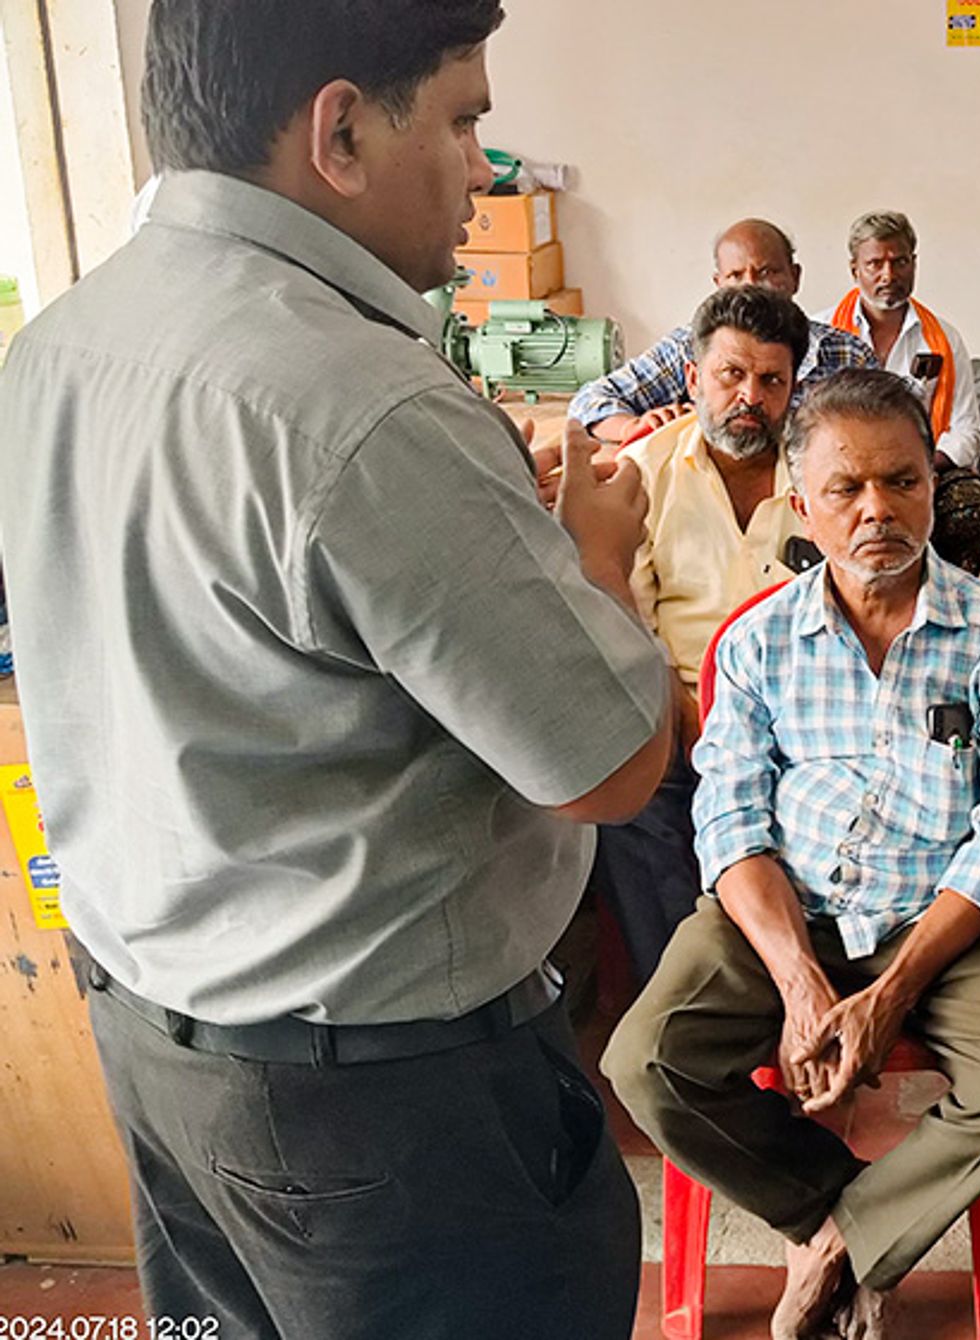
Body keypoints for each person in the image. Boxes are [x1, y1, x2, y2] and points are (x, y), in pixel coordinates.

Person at [0, 3, 674, 1336]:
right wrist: (592, 558)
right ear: (343, 129)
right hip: (382, 1112)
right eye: (467, 117)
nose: (487, 169)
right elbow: (609, 763)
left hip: (157, 1035)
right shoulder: (364, 404)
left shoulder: (61, 346)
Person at [602, 369, 980, 1340]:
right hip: (785, 901)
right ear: (799, 502)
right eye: (845, 489)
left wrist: (890, 989)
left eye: (901, 482)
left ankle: (843, 1237)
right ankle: (831, 1212)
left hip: (942, 914)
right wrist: (801, 979)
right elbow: (731, 819)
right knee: (646, 1060)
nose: (876, 511)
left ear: (933, 486)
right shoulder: (761, 640)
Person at [602, 284, 813, 982]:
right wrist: (682, 711)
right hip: (680, 698)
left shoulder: (826, 474)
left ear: (792, 388)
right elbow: (631, 619)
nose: (750, 396)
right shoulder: (645, 472)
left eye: (771, 380)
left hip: (802, 708)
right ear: (694, 378)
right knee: (634, 799)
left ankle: (796, 984)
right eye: (731, 374)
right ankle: (683, 993)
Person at [570, 217, 876, 445]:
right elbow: (591, 400)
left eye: (767, 272)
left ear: (795, 277)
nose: (752, 285)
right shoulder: (688, 347)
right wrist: (631, 427)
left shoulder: (848, 354)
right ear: (718, 285)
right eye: (736, 274)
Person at [819, 211, 980, 471]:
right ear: (855, 270)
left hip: (920, 470)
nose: (889, 275)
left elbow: (966, 429)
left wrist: (921, 467)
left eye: (900, 262)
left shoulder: (944, 338)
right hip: (841, 468)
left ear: (914, 264)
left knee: (978, 508)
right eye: (875, 264)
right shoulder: (821, 334)